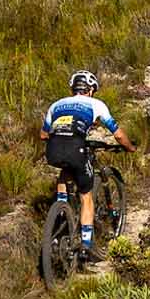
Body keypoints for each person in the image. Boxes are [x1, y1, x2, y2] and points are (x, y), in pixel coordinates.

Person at [39, 70, 136, 259]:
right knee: (86, 195)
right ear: (91, 90)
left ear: (73, 88)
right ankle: (86, 244)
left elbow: (43, 135)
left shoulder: (56, 105)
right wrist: (130, 147)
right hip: (77, 148)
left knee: (65, 170)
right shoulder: (96, 104)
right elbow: (117, 134)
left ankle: (61, 210)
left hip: (53, 149)